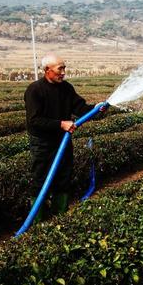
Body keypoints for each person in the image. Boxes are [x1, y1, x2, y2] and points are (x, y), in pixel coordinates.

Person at [24, 53, 106, 220]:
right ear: (47, 70)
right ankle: (37, 220)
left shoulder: (66, 88)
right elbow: (34, 120)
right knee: (41, 178)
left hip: (63, 140)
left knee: (63, 177)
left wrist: (96, 109)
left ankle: (59, 218)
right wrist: (61, 124)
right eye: (60, 69)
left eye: (64, 68)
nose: (63, 72)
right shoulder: (35, 90)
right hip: (43, 143)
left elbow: (80, 107)